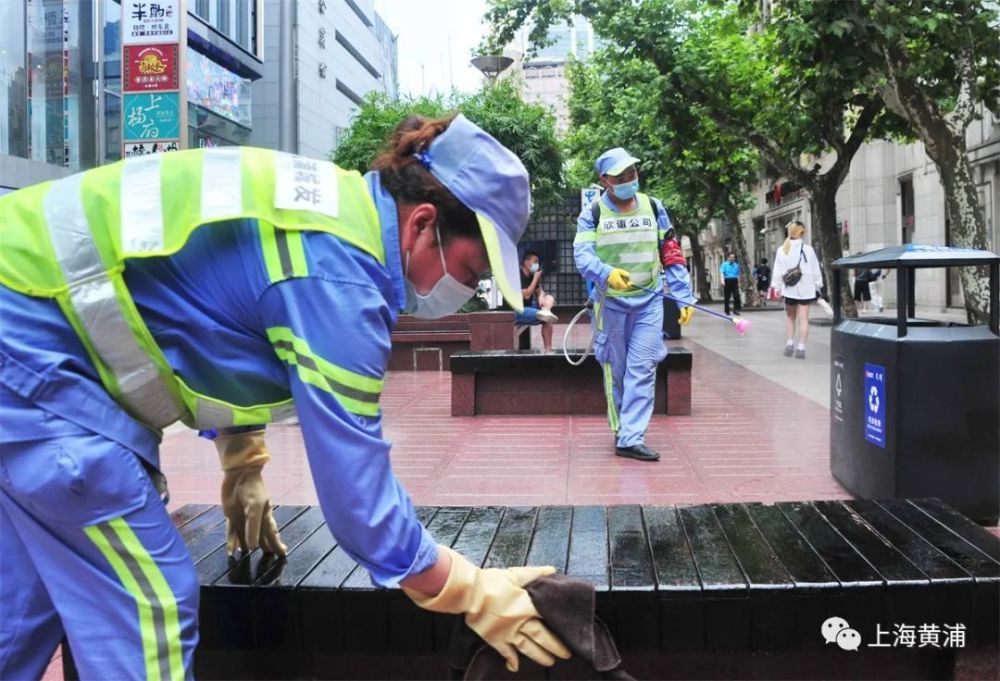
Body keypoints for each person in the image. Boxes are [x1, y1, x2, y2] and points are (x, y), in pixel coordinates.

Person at [0, 114, 571, 679]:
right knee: (147, 608)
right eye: (470, 270)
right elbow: (358, 502)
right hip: (33, 356)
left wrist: (241, 459)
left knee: (24, 607)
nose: (466, 292)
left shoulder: (325, 208)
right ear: (423, 223)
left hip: (23, 322)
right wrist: (465, 588)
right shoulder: (341, 279)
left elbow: (207, 305)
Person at [574, 147, 696, 462]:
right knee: (617, 370)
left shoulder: (654, 207)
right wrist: (606, 273)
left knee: (642, 368)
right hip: (609, 305)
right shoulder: (593, 214)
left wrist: (683, 295)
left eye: (632, 172)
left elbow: (670, 251)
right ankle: (621, 427)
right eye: (621, 175)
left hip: (650, 303)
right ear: (605, 180)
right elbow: (583, 256)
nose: (630, 179)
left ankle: (630, 437)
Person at [770, 221, 823, 359]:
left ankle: (789, 343)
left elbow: (778, 271)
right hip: (806, 289)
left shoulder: (782, 249)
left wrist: (776, 287)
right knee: (803, 318)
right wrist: (817, 285)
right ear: (801, 233)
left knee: (790, 318)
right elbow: (815, 270)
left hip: (789, 289)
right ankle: (801, 347)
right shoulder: (808, 249)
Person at [515, 251, 558, 351]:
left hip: (528, 307)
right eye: (535, 262)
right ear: (526, 262)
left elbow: (540, 291)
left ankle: (545, 311)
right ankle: (548, 348)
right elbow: (526, 295)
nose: (536, 265)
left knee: (549, 298)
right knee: (547, 318)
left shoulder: (530, 276)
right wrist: (535, 279)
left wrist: (540, 297)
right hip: (517, 310)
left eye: (537, 263)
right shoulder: (518, 275)